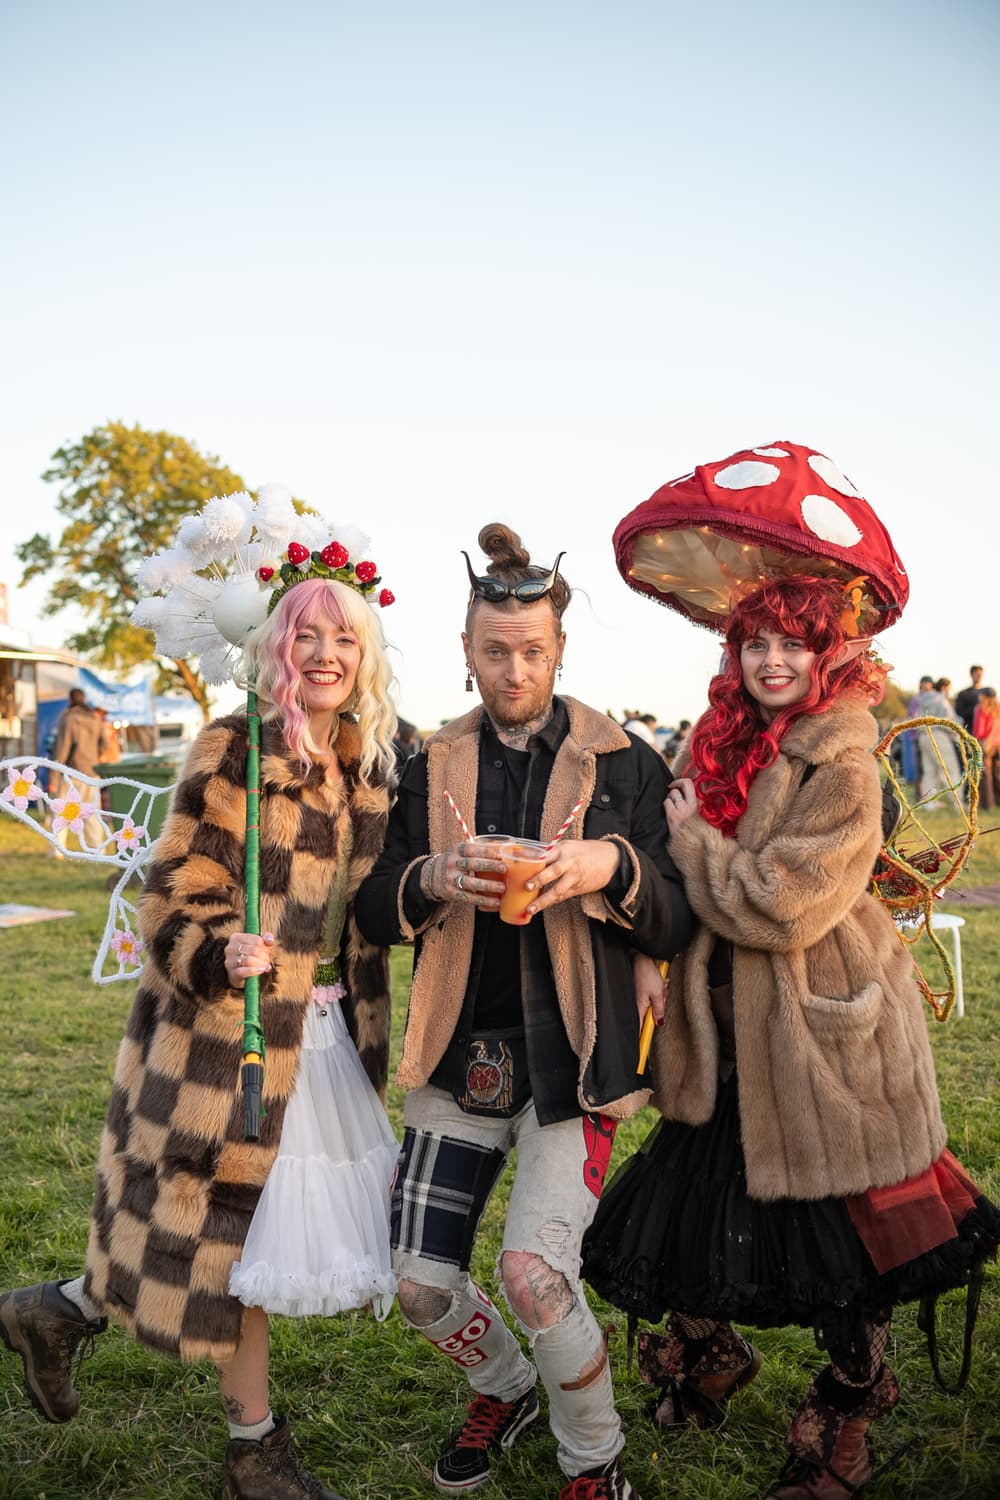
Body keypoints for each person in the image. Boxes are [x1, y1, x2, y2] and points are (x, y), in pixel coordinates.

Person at [582, 575, 1000, 1499]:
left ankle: (849, 1413)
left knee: (841, 1235)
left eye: (793, 646)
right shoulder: (719, 739)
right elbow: (665, 867)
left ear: (828, 656)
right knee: (696, 1201)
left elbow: (781, 903)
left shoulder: (843, 759)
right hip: (722, 1024)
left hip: (821, 1025)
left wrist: (696, 847)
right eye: (755, 644)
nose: (771, 662)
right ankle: (712, 1355)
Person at [1, 573, 399, 1500]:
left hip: (331, 1034)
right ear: (278, 648)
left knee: (217, 1238)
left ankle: (53, 1311)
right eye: (308, 637)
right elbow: (170, 892)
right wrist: (222, 950)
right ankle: (252, 1456)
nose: (326, 655)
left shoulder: (375, 761)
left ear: (365, 653)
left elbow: (380, 901)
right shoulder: (235, 751)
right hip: (226, 1040)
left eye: (344, 639)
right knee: (234, 1242)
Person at [354, 524, 692, 1500]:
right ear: (465, 650)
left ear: (559, 650)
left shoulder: (621, 760)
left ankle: (594, 1466)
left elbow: (675, 913)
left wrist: (611, 865)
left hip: (574, 1061)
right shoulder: (427, 763)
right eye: (493, 650)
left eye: (531, 650)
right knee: (419, 1286)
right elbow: (373, 906)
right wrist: (430, 876)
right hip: (456, 1053)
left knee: (535, 1276)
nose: (513, 668)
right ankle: (504, 1385)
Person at [50, 688, 112, 852]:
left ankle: (57, 850)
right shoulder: (95, 719)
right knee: (92, 813)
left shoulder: (69, 719)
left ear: (70, 701)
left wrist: (53, 776)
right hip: (92, 773)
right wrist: (94, 755)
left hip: (73, 773)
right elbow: (105, 745)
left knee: (62, 812)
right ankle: (97, 849)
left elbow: (62, 748)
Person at [972, 685, 1000, 810]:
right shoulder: (997, 709)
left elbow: (979, 730)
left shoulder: (980, 709)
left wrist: (977, 742)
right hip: (997, 744)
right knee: (997, 774)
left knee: (985, 775)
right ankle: (997, 801)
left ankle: (987, 804)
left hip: (985, 744)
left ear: (984, 696)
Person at [954, 665, 984, 734]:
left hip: (985, 735)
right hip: (968, 731)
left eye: (980, 674)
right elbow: (959, 712)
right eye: (976, 673)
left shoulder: (987, 694)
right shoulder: (963, 694)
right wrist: (975, 710)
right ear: (971, 674)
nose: (979, 676)